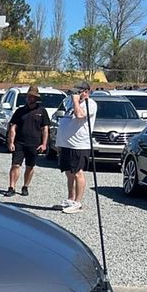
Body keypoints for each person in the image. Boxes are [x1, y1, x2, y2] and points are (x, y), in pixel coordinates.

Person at [55, 81, 96, 214]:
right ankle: (70, 199)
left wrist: (76, 101)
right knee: (69, 172)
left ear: (86, 92)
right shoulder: (70, 103)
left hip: (79, 144)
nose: (75, 95)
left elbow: (79, 115)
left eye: (78, 92)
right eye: (74, 92)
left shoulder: (90, 104)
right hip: (66, 144)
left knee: (78, 172)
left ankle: (78, 202)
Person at [4, 85, 50, 197]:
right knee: (15, 165)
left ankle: (25, 186)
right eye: (29, 96)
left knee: (30, 166)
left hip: (34, 143)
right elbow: (13, 127)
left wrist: (44, 144)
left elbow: (45, 129)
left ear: (36, 98)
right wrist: (11, 142)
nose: (30, 98)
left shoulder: (42, 111)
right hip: (19, 142)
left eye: (33, 97)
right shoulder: (20, 111)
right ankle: (11, 187)